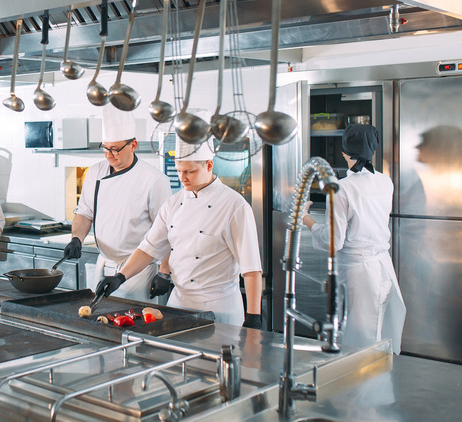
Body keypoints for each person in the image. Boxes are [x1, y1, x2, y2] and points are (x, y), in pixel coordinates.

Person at [94, 139, 263, 327]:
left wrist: (254, 317)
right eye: (179, 171)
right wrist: (120, 277)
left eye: (190, 172)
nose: (183, 178)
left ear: (209, 165)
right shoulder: (173, 204)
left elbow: (251, 269)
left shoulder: (235, 206)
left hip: (219, 308)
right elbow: (148, 249)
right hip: (179, 304)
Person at [301, 124, 406, 354]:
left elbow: (333, 241)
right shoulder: (385, 181)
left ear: (344, 153)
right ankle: (377, 387)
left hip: (359, 275)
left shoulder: (340, 189)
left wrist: (306, 218)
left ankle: (363, 390)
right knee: (379, 341)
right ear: (373, 150)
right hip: (384, 269)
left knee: (358, 347)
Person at [64, 107, 172, 303]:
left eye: (115, 149)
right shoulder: (95, 172)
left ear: (134, 145)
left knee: (131, 325)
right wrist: (76, 238)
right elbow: (85, 213)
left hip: (138, 271)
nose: (109, 155)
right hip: (103, 265)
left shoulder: (154, 180)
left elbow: (168, 231)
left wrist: (165, 271)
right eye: (105, 148)